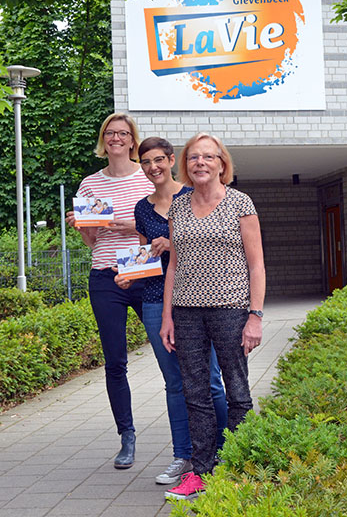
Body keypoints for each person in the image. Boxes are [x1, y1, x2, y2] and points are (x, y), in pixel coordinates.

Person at [115, 137, 228, 486]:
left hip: (195, 298)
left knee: (209, 381)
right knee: (175, 383)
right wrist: (130, 274)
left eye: (159, 160)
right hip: (153, 300)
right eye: (146, 162)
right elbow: (144, 255)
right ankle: (185, 457)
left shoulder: (192, 195)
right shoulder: (141, 208)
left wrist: (171, 242)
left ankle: (225, 451)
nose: (153, 168)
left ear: (171, 159)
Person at [160, 132, 265, 500]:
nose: (200, 162)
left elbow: (256, 265)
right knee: (195, 394)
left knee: (237, 391)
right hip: (186, 312)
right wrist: (167, 317)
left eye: (208, 156)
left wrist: (255, 315)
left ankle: (238, 468)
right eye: (193, 157)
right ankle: (201, 472)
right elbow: (173, 265)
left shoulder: (240, 203)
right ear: (186, 165)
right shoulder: (178, 205)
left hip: (231, 310)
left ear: (222, 164)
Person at [66, 112, 154, 470]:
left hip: (143, 269)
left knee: (170, 349)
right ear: (104, 140)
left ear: (133, 140)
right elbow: (92, 241)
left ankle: (191, 429)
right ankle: (127, 436)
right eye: (110, 133)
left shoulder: (148, 177)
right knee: (115, 361)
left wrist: (126, 223)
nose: (116, 138)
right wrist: (81, 226)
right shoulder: (90, 185)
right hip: (105, 276)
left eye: (123, 133)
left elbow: (162, 219)